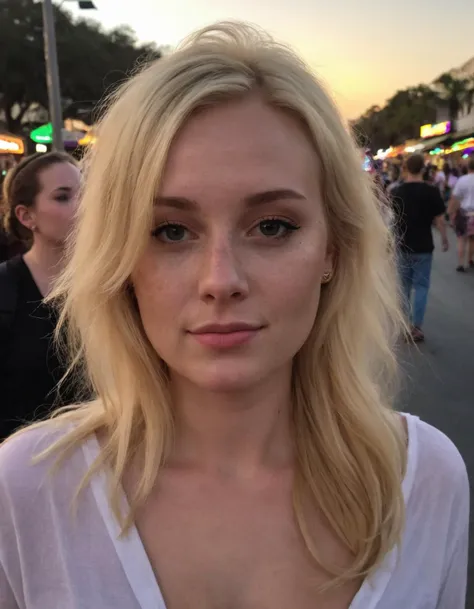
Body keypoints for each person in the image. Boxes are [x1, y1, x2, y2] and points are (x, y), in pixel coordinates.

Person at [0, 23, 468, 609]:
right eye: (170, 231)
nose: (221, 280)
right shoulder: (27, 489)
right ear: (119, 258)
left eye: (273, 226)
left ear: (333, 249)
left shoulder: (425, 481)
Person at [0, 152, 82, 440]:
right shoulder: (7, 288)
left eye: (85, 194)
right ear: (26, 215)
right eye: (63, 197)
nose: (82, 207)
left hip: (105, 467)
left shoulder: (114, 285)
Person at [391, 154, 448, 342]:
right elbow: (440, 220)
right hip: (424, 247)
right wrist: (445, 239)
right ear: (423, 169)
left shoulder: (397, 192)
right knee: (422, 286)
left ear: (406, 168)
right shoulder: (431, 192)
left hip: (403, 245)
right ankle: (417, 327)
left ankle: (405, 324)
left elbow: (392, 220)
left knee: (404, 286)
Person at [448, 156, 474, 271]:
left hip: (463, 213)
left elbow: (455, 198)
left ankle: (461, 264)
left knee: (461, 239)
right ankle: (470, 259)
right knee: (472, 239)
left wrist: (451, 212)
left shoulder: (462, 180)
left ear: (468, 167)